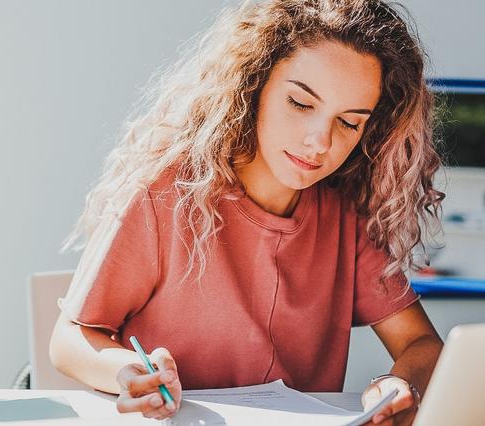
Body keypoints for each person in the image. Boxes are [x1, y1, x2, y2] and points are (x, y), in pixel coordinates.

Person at [49, 0, 446, 424]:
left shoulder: (345, 218)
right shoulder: (165, 194)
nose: (320, 141)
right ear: (253, 85)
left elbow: (421, 343)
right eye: (300, 103)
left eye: (349, 122)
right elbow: (70, 338)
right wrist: (126, 373)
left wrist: (400, 385)